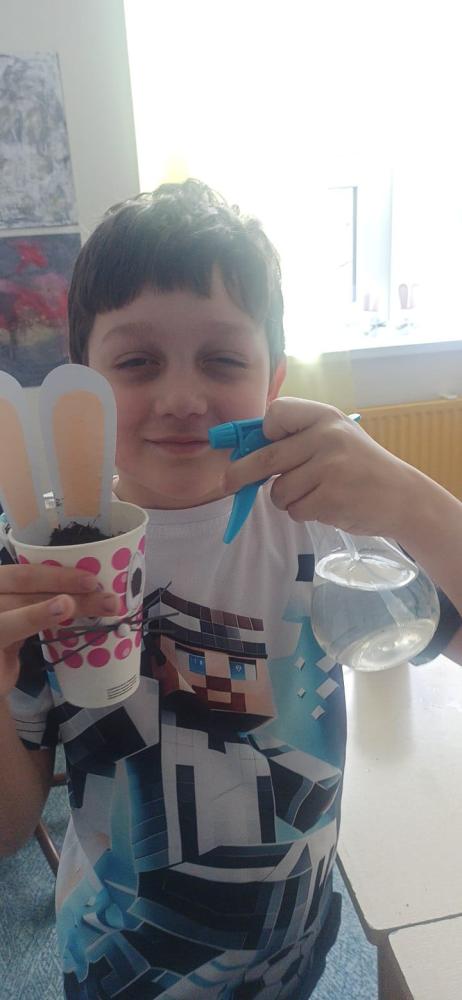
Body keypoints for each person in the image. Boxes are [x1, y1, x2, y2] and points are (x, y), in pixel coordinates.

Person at [1, 179, 461, 1000]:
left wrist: (414, 501)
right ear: (84, 388)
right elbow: (10, 825)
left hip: (294, 950)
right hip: (119, 973)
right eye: (137, 362)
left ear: (272, 380)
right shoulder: (42, 561)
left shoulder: (322, 524)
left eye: (222, 359)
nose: (182, 399)